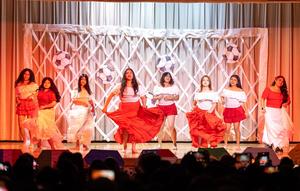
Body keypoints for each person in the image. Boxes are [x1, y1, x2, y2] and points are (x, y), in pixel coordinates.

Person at [102, 68, 164, 153]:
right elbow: (110, 95)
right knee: (126, 128)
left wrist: (144, 106)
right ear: (124, 75)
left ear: (133, 75)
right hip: (124, 109)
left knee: (134, 128)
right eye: (127, 73)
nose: (129, 74)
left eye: (131, 72)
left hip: (135, 109)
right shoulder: (120, 86)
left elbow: (143, 97)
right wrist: (105, 107)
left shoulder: (137, 86)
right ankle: (124, 144)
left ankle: (133, 147)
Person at [186, 75, 226, 148]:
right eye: (203, 80)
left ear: (209, 82)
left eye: (207, 80)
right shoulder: (198, 94)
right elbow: (195, 103)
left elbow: (214, 104)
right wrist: (194, 109)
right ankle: (201, 146)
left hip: (209, 113)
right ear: (201, 82)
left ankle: (210, 147)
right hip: (199, 113)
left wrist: (209, 112)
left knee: (210, 130)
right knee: (201, 130)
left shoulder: (213, 93)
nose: (205, 82)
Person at [29, 77, 63, 150]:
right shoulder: (39, 91)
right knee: (39, 128)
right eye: (45, 82)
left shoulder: (51, 93)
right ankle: (39, 146)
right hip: (40, 111)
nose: (46, 84)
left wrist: (44, 107)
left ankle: (52, 147)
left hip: (48, 112)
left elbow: (53, 103)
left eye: (48, 83)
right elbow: (34, 99)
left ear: (51, 84)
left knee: (46, 130)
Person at [261, 75, 293, 153]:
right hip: (270, 111)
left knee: (280, 129)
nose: (281, 82)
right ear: (275, 80)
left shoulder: (283, 91)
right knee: (271, 128)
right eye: (279, 80)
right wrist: (263, 107)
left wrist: (285, 103)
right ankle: (273, 144)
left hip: (280, 112)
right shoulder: (268, 89)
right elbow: (263, 98)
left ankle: (279, 145)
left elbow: (289, 101)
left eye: (282, 81)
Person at [67, 74, 95, 151]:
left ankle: (85, 144)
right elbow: (74, 100)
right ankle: (77, 144)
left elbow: (91, 101)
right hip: (78, 110)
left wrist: (93, 109)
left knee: (87, 128)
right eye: (82, 79)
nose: (83, 81)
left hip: (88, 111)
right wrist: (84, 103)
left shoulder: (89, 91)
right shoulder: (75, 90)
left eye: (85, 79)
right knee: (77, 127)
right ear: (79, 80)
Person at [152, 72, 179, 149]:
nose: (167, 77)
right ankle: (159, 144)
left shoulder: (174, 87)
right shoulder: (158, 87)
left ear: (171, 78)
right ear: (163, 77)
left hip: (170, 107)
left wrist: (170, 98)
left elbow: (177, 98)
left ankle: (174, 143)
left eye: (169, 76)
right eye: (166, 76)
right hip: (160, 107)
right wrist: (158, 97)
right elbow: (153, 98)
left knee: (171, 126)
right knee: (160, 127)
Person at [15, 68, 39, 152]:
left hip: (30, 104)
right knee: (21, 124)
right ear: (22, 74)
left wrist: (32, 97)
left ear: (30, 75)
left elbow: (36, 95)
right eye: (25, 74)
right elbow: (17, 95)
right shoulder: (18, 84)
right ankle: (25, 140)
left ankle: (32, 142)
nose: (26, 76)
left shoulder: (34, 85)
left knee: (30, 124)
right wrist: (17, 100)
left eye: (28, 74)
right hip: (21, 104)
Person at [221, 74, 247, 150]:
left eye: (235, 80)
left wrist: (246, 110)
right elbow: (222, 96)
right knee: (227, 129)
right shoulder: (226, 89)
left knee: (236, 128)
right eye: (231, 79)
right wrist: (222, 100)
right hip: (228, 110)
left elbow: (243, 101)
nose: (232, 81)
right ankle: (225, 144)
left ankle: (238, 145)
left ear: (237, 81)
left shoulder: (240, 91)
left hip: (237, 110)